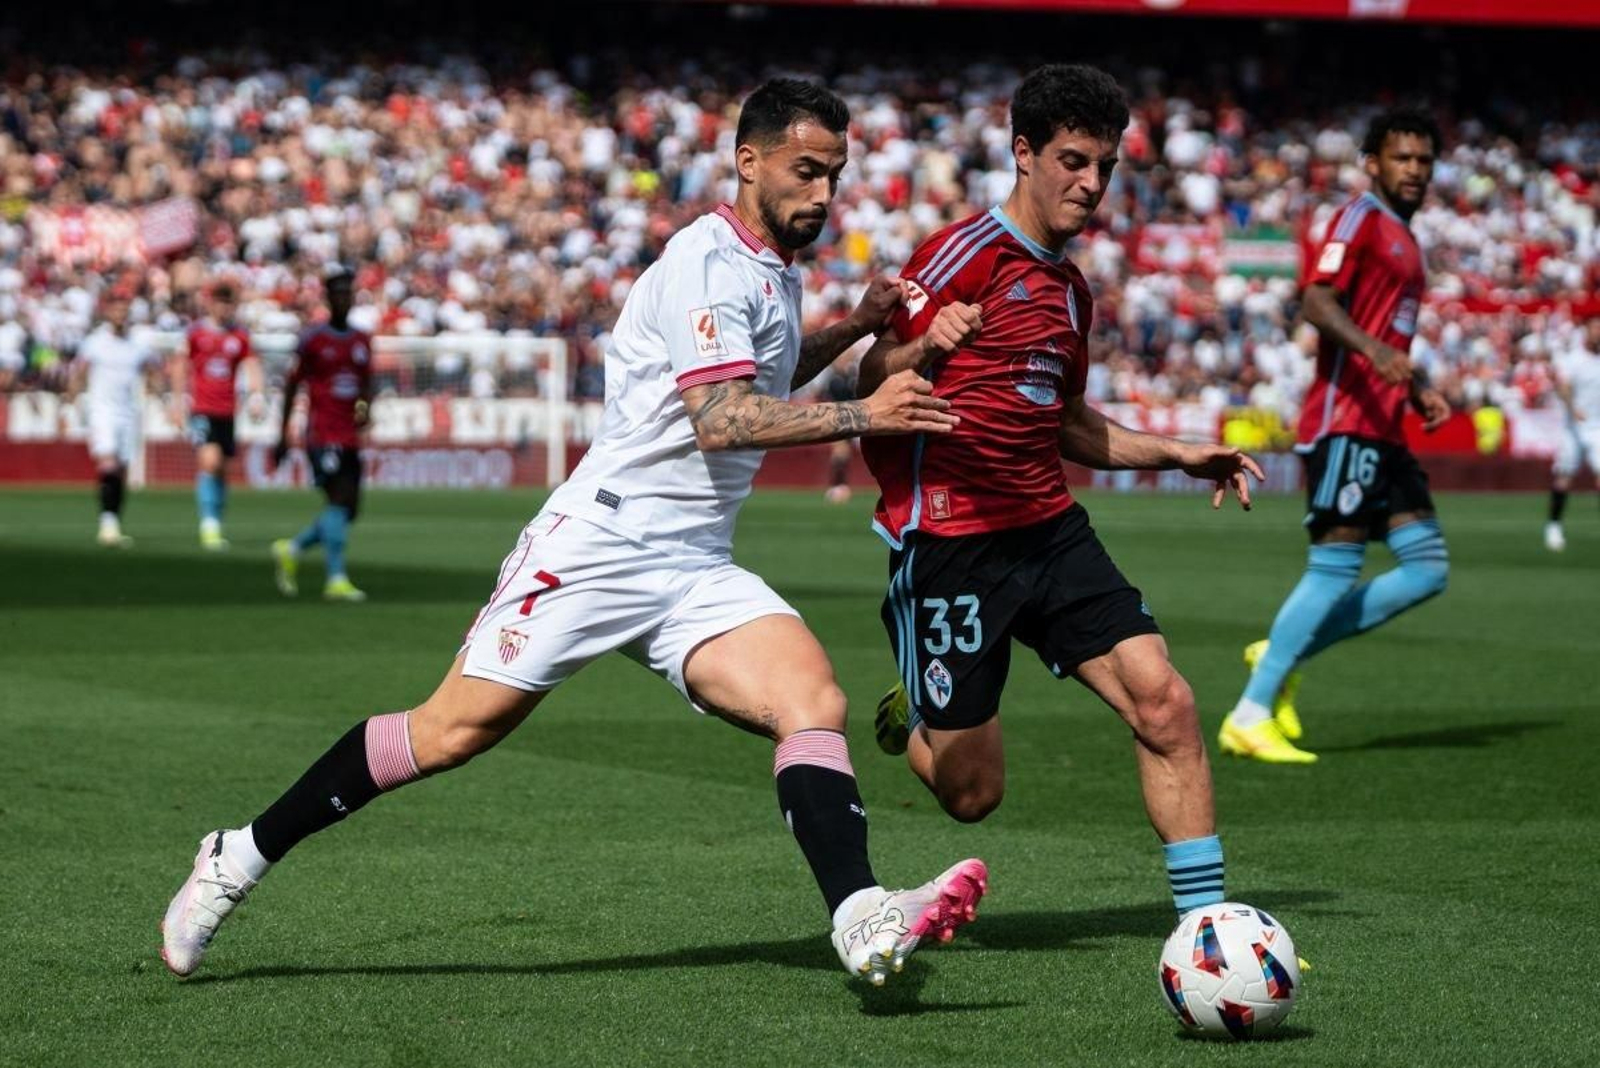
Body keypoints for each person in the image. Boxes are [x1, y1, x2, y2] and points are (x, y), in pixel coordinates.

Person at [162, 79, 986, 986]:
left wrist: (857, 327)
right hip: (599, 544)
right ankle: (235, 856)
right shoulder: (705, 262)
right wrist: (865, 413)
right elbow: (719, 416)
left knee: (812, 700)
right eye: (805, 171)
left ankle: (858, 915)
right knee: (447, 734)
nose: (823, 194)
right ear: (747, 163)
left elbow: (770, 369)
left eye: (833, 174)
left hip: (692, 564)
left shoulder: (766, 271)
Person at [859, 65, 1260, 919]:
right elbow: (871, 378)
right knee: (973, 795)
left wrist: (1175, 455)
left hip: (1048, 529)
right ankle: (915, 714)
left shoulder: (1071, 291)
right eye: (1073, 161)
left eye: (1105, 167)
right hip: (952, 543)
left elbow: (1067, 422)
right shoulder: (959, 256)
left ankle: (1207, 928)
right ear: (1023, 152)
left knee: (1167, 701)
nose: (1091, 183)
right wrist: (920, 348)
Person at [1220, 106, 1452, 763]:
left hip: (1385, 424)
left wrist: (1415, 385)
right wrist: (1378, 355)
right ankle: (1250, 711)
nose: (1414, 169)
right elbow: (1316, 301)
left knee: (1428, 569)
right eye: (1402, 158)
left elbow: (1389, 336)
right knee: (1336, 565)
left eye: (1424, 159)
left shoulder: (1406, 237)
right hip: (1344, 421)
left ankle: (1287, 648)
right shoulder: (1360, 218)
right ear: (1373, 163)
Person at [270, 266, 374, 602]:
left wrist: (365, 409)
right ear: (329, 298)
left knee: (349, 509)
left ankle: (293, 547)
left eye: (349, 293)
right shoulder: (313, 340)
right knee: (339, 500)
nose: (344, 298)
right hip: (322, 435)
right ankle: (336, 578)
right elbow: (291, 387)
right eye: (338, 293)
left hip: (349, 436)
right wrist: (283, 435)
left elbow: (366, 385)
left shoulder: (361, 341)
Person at [171, 283, 260, 550]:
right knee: (209, 461)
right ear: (210, 303)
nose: (224, 307)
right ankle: (208, 525)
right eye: (220, 301)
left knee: (221, 467)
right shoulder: (196, 334)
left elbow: (252, 365)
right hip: (202, 409)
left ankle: (217, 519)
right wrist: (177, 401)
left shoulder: (239, 336)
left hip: (227, 411)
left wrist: (256, 397)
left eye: (229, 301)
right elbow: (179, 364)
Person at [69, 290, 161, 548]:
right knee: (108, 464)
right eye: (116, 308)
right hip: (102, 412)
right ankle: (107, 525)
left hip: (128, 413)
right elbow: (80, 372)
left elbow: (153, 370)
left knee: (120, 470)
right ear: (108, 312)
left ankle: (113, 522)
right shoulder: (95, 342)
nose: (120, 314)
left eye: (125, 309)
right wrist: (71, 400)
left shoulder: (138, 344)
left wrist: (160, 391)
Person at [1544, 319, 1600, 552]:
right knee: (1564, 478)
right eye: (1596, 328)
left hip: (1597, 429)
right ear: (1586, 331)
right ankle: (1554, 525)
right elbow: (1564, 386)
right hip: (1574, 429)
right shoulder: (1573, 359)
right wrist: (1571, 406)